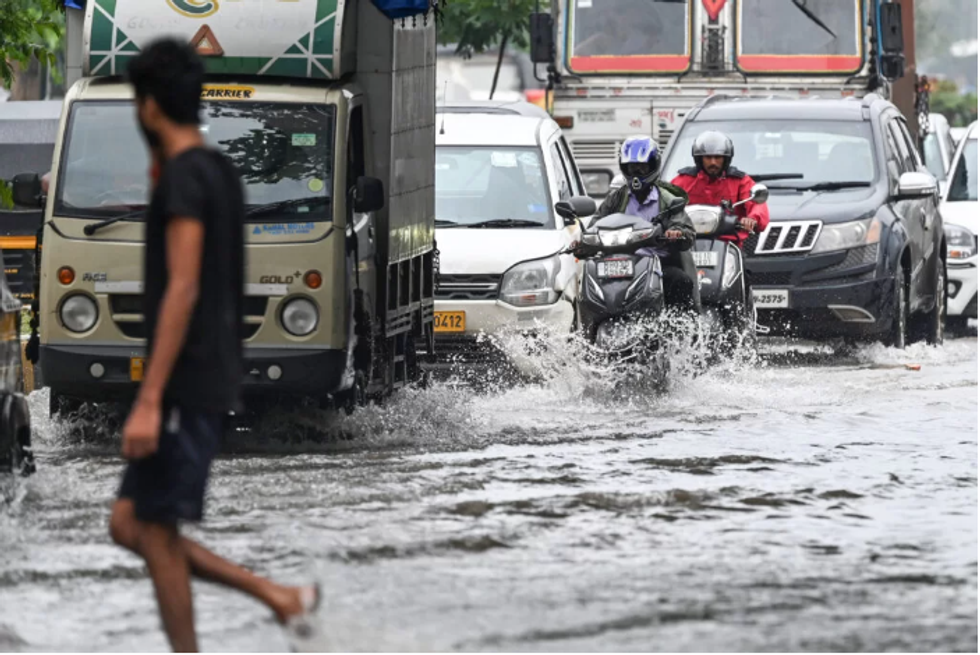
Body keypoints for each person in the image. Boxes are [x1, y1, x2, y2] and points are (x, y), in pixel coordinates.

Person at [107, 39, 318, 652]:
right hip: (207, 372)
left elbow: (184, 286)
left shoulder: (183, 179)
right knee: (130, 524)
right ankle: (278, 596)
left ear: (148, 107)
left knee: (153, 529)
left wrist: (150, 399)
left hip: (184, 380)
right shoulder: (217, 170)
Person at [593, 135, 699, 313]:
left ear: (653, 166)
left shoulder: (668, 199)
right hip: (620, 265)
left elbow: (686, 229)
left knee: (681, 281)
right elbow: (596, 223)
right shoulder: (616, 198)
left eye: (642, 168)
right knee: (591, 284)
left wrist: (676, 232)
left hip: (658, 264)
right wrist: (582, 241)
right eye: (632, 168)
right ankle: (590, 326)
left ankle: (681, 327)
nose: (637, 173)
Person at [671, 130, 769, 249]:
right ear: (699, 159)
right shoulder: (683, 180)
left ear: (726, 159)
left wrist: (752, 219)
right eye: (708, 157)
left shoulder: (740, 181)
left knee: (742, 260)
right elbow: (665, 203)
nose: (713, 162)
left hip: (728, 245)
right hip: (688, 244)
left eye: (718, 157)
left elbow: (756, 204)